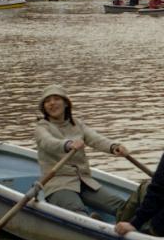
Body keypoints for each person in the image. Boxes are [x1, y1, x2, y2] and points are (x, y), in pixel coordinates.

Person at [34, 85, 129, 218]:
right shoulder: (41, 128)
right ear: (44, 107)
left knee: (122, 206)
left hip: (84, 181)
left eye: (56, 99)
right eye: (47, 101)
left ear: (66, 103)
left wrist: (114, 147)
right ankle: (94, 224)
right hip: (58, 184)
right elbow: (48, 142)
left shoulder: (77, 124)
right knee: (76, 211)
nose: (52, 103)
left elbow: (96, 139)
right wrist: (68, 145)